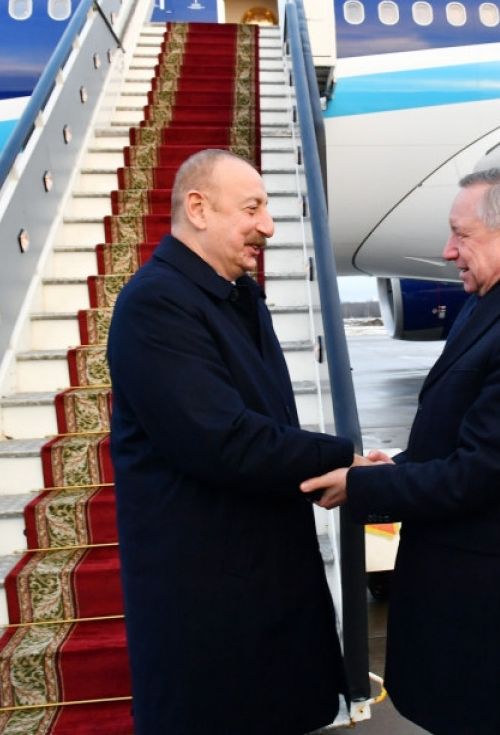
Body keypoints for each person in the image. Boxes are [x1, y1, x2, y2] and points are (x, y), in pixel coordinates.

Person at [301, 168, 500, 735]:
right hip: (465, 592)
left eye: (461, 234)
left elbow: (478, 473)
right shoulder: (495, 302)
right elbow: (457, 436)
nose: (447, 250)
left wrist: (361, 487)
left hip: (498, 606)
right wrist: (394, 466)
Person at [107, 149, 369, 734]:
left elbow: (267, 424)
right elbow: (222, 440)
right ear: (198, 209)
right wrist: (340, 458)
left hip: (259, 590)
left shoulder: (234, 296)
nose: (268, 226)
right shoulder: (156, 303)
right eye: (252, 208)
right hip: (210, 607)